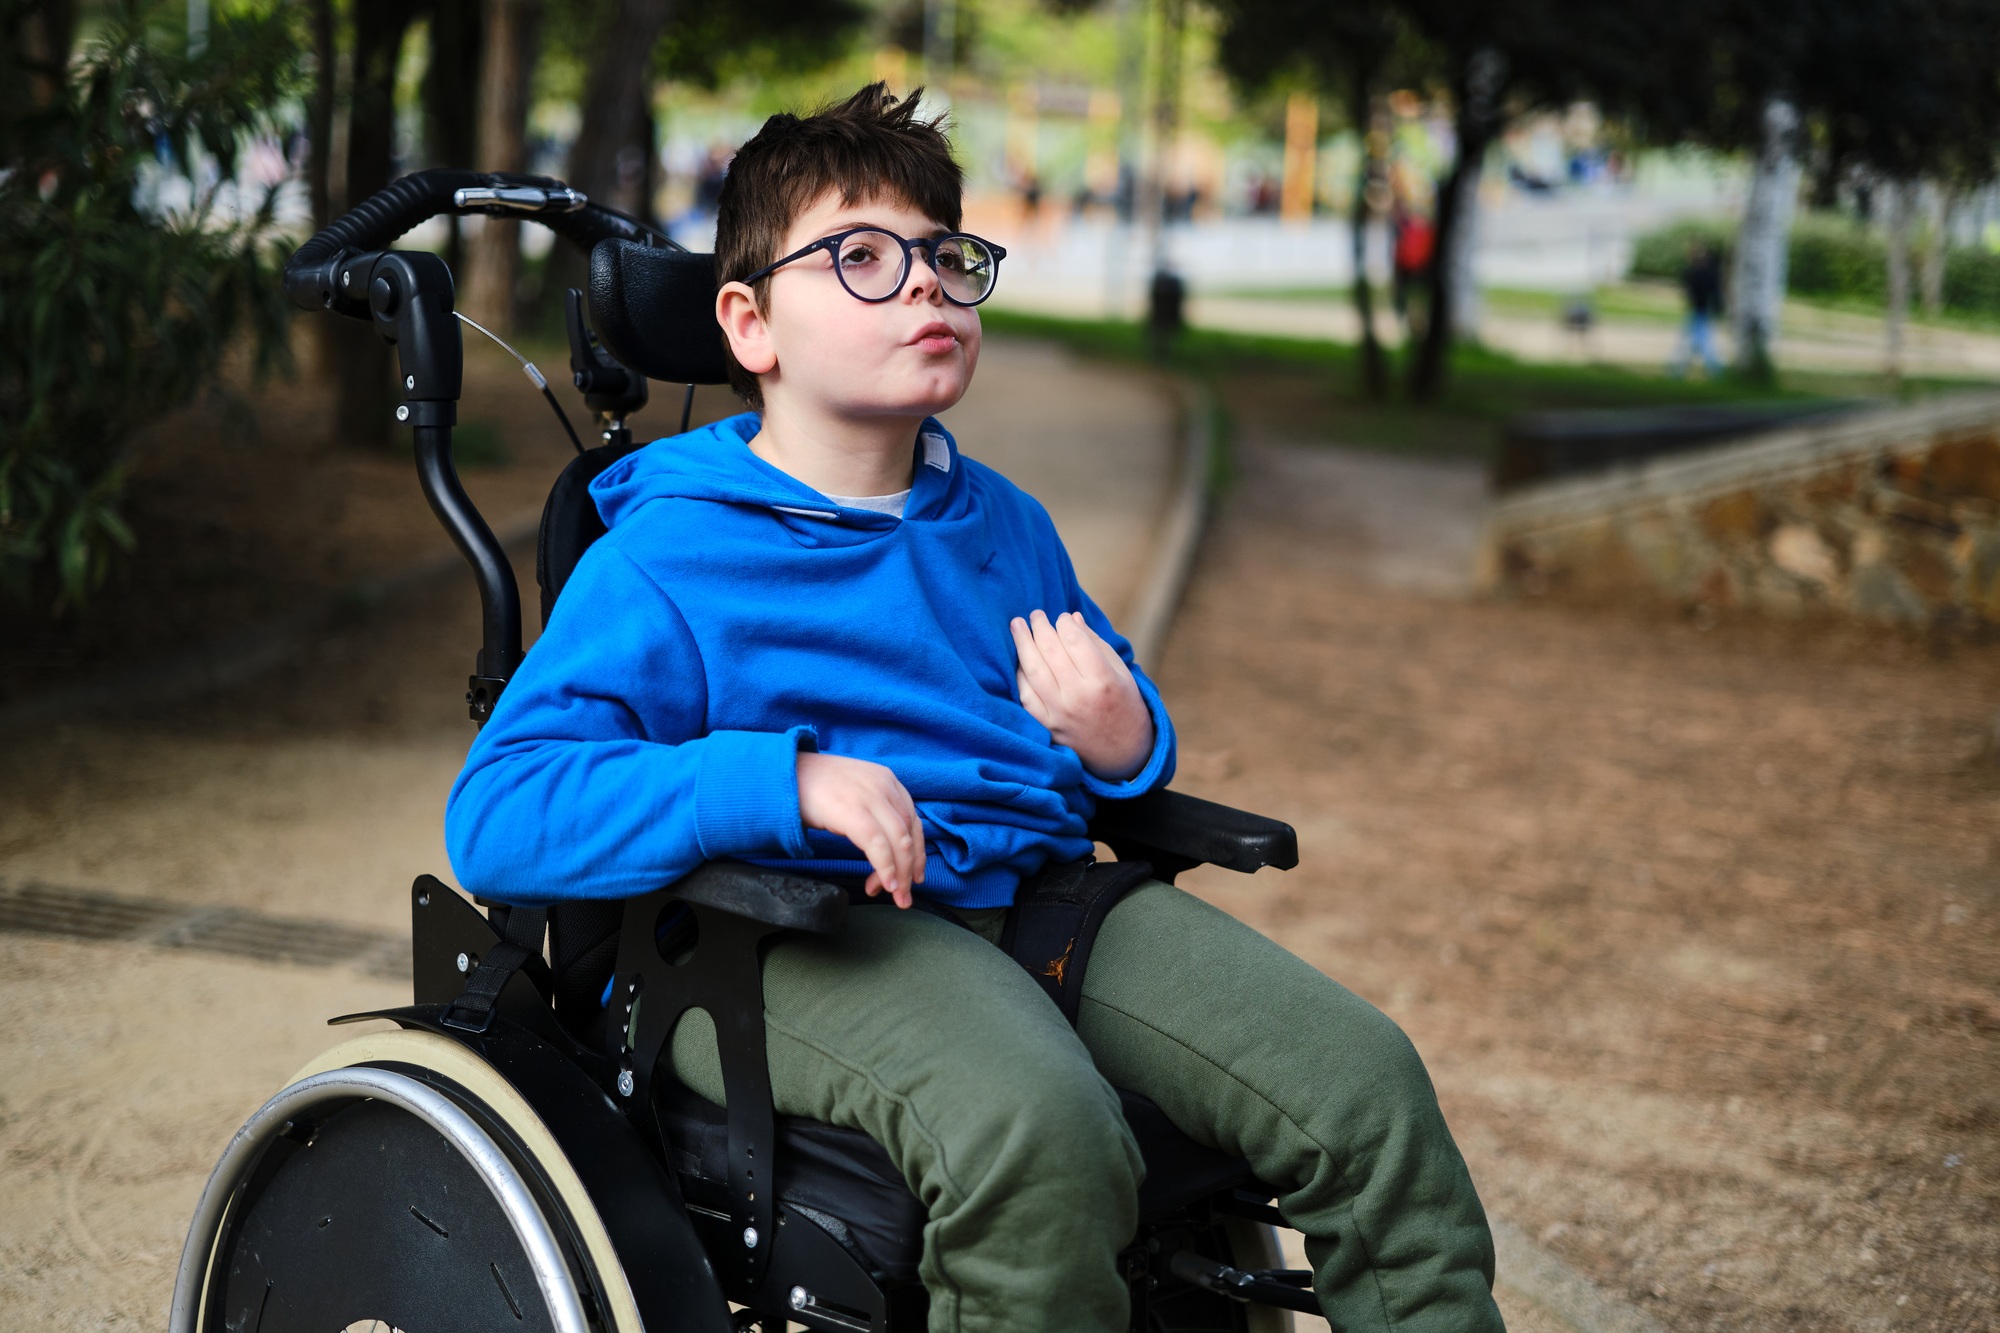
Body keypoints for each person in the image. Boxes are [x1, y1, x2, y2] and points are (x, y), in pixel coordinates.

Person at [447, 83, 1504, 1333]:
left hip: (1033, 899)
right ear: (750, 322)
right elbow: (498, 812)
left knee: (1362, 1089)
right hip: (778, 936)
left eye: (945, 256)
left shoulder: (1001, 522)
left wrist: (1124, 737)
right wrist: (778, 780)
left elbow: (1107, 721)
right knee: (1040, 1135)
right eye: (861, 257)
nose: (926, 287)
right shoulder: (667, 556)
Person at [1673, 240, 1725, 377]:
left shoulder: (1698, 272)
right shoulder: (1703, 272)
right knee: (1702, 341)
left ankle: (1681, 370)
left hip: (1700, 311)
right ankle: (1712, 370)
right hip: (1700, 310)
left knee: (1695, 342)